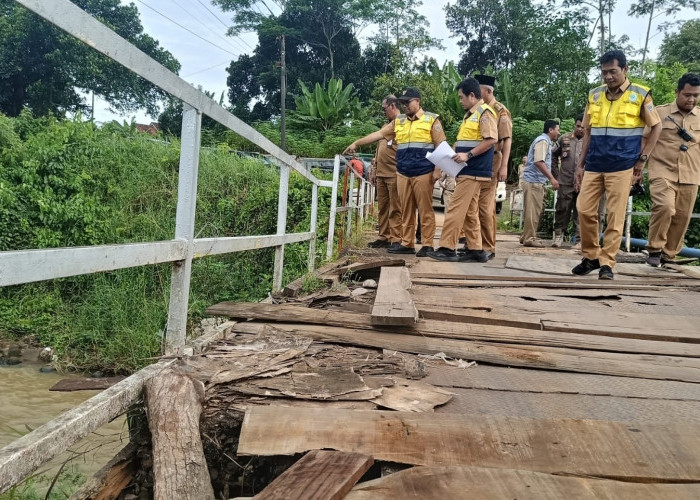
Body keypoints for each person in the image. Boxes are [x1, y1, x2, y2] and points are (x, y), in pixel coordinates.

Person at [573, 50, 661, 280]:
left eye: (613, 71)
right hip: (594, 164)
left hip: (622, 165)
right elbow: (588, 133)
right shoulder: (594, 95)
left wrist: (642, 160)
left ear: (625, 69)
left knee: (615, 215)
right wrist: (580, 165)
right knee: (584, 209)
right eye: (604, 72)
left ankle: (607, 262)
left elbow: (656, 127)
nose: (608, 77)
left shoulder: (641, 94)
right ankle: (591, 256)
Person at [428, 78, 498, 262]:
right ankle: (476, 249)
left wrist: (468, 155)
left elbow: (491, 139)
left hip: (473, 170)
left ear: (472, 95)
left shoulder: (484, 113)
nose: (460, 101)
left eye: (461, 97)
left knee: (455, 209)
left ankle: (447, 247)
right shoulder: (471, 115)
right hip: (468, 170)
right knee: (469, 211)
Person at [382, 87, 446, 256]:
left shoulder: (431, 119)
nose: (405, 106)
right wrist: (357, 143)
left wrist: (437, 169)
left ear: (417, 101)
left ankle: (427, 244)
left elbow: (441, 145)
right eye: (402, 103)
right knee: (406, 210)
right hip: (403, 171)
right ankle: (407, 243)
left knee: (425, 210)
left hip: (424, 171)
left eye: (408, 102)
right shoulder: (400, 121)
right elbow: (380, 134)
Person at [645, 73, 700, 267]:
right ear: (677, 92)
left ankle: (668, 255)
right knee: (665, 207)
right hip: (662, 170)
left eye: (696, 95)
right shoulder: (660, 113)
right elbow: (645, 139)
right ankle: (655, 248)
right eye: (687, 94)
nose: (691, 99)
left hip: (691, 174)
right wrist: (638, 166)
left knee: (682, 216)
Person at [461, 74, 513, 260]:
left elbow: (506, 140)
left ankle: (488, 246)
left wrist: (504, 166)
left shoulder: (500, 111)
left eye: (479, 89)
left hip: (492, 161)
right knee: (471, 205)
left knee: (485, 206)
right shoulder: (476, 110)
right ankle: (473, 244)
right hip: (476, 162)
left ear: (488, 91)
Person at [344, 96, 402, 249]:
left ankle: (396, 239)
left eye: (384, 109)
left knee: (395, 208)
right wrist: (374, 167)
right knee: (383, 207)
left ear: (393, 105)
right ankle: (384, 237)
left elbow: (376, 136)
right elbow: (379, 147)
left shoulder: (400, 123)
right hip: (382, 173)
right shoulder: (386, 125)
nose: (383, 112)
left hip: (395, 173)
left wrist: (357, 143)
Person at [520, 120, 561, 247]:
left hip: (537, 181)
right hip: (534, 181)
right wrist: (552, 178)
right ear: (551, 130)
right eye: (557, 130)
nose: (559, 132)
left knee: (536, 210)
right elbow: (539, 161)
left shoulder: (546, 142)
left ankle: (527, 235)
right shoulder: (543, 141)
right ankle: (529, 238)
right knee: (532, 211)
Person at [551, 115, 585, 247]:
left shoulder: (590, 140)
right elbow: (553, 156)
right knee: (562, 209)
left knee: (581, 211)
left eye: (583, 127)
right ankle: (559, 236)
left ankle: (579, 239)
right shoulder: (564, 138)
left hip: (583, 183)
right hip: (565, 180)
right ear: (574, 126)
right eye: (578, 126)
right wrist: (556, 174)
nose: (580, 129)